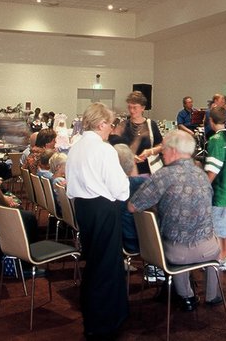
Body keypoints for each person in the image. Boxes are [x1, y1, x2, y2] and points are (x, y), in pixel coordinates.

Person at [129, 129, 222, 310]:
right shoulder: (202, 175)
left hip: (177, 255)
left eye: (163, 148)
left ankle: (187, 297)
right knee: (212, 241)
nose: (162, 152)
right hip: (207, 251)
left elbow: (133, 206)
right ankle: (213, 296)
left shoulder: (163, 176)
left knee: (172, 240)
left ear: (173, 150)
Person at [66, 102, 130, 339]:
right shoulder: (104, 150)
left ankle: (94, 315)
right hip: (104, 209)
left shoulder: (76, 147)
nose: (111, 129)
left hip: (83, 209)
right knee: (106, 266)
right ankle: (103, 322)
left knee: (93, 262)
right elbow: (121, 191)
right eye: (111, 124)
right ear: (101, 123)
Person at [204, 106, 226, 272]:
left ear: (211, 120)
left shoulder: (215, 140)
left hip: (219, 192)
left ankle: (218, 259)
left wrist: (203, 186)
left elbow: (213, 169)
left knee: (217, 228)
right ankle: (225, 256)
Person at [121, 91, 163, 176]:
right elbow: (118, 148)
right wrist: (129, 156)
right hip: (128, 172)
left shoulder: (151, 124)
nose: (132, 111)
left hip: (148, 170)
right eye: (130, 107)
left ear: (143, 108)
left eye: (135, 107)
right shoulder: (123, 125)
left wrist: (150, 151)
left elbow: (161, 145)